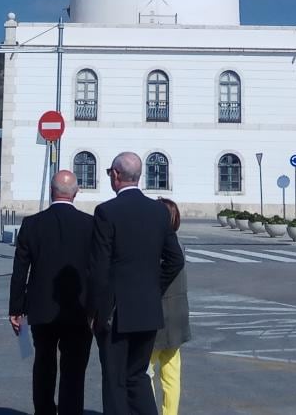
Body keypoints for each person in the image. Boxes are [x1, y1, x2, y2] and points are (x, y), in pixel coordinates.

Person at [87, 152, 184, 415]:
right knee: (138, 375)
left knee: (115, 380)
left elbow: (99, 268)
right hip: (148, 310)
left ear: (116, 175)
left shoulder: (106, 212)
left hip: (115, 312)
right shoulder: (158, 211)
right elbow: (175, 260)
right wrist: (154, 288)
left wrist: (94, 311)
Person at [9, 170, 93, 415]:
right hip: (80, 310)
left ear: (51, 192)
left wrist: (16, 308)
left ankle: (44, 411)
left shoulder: (32, 224)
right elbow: (98, 270)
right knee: (74, 369)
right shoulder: (90, 225)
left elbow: (20, 270)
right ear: (75, 193)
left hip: (41, 308)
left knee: (43, 363)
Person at [148, 198, 190, 415]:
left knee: (144, 371)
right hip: (177, 316)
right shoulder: (179, 244)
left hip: (158, 318)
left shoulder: (157, 246)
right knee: (172, 374)